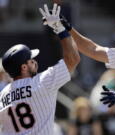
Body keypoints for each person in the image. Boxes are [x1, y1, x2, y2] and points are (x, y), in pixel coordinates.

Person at [0, 3, 80, 135]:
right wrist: (60, 29)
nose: (34, 61)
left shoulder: (3, 96)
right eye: (31, 60)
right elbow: (73, 59)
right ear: (24, 67)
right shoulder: (43, 81)